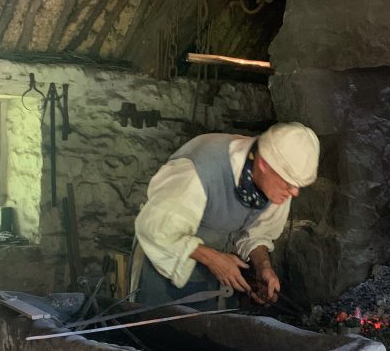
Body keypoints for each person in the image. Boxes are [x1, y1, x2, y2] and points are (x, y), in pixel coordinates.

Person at [132, 121, 320, 309]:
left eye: (298, 186)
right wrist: (214, 259)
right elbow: (156, 229)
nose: (294, 193)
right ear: (264, 164)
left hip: (215, 275)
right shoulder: (201, 170)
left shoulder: (277, 184)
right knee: (157, 332)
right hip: (163, 265)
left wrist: (263, 266)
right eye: (288, 183)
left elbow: (256, 233)